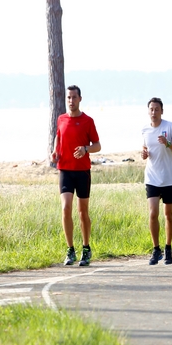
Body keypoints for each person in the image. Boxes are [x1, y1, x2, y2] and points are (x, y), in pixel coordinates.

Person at [51, 85, 101, 267]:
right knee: (65, 208)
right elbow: (58, 137)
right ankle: (70, 249)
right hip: (65, 170)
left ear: (80, 99)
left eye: (74, 97)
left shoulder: (87, 121)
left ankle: (86, 248)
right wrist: (55, 151)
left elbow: (97, 145)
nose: (71, 101)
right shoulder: (61, 119)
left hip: (82, 172)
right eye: (68, 97)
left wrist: (85, 148)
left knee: (82, 212)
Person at [141, 97, 172, 265]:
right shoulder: (145, 129)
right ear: (148, 111)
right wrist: (144, 154)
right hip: (152, 177)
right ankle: (156, 249)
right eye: (151, 109)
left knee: (169, 214)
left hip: (169, 178)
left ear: (162, 111)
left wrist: (168, 143)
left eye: (157, 109)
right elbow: (145, 149)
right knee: (153, 213)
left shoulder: (170, 127)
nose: (154, 112)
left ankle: (168, 247)